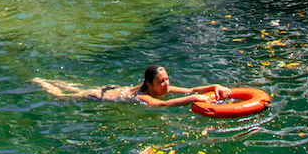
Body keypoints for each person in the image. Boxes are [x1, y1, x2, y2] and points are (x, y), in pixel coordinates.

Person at [32, 65, 232, 107]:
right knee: (63, 96)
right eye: (161, 81)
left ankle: (50, 80)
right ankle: (42, 82)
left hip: (111, 88)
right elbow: (161, 105)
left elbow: (192, 90)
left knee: (75, 88)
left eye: (167, 79)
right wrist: (191, 100)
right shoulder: (143, 96)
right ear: (149, 83)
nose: (167, 84)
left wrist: (216, 85)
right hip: (99, 95)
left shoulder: (164, 89)